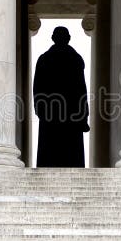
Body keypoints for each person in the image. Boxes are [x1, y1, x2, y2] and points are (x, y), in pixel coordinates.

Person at [33, 26, 90, 167]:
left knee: (49, 153)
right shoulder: (75, 59)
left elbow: (37, 89)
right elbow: (81, 90)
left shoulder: (44, 59)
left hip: (49, 112)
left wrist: (40, 109)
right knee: (72, 155)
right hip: (72, 113)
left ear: (53, 38)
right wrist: (83, 115)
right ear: (68, 39)